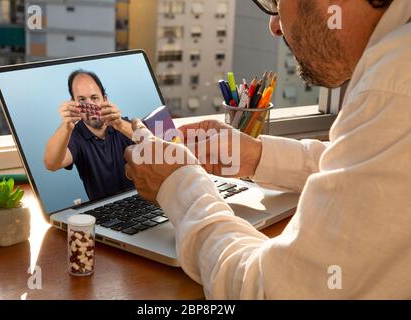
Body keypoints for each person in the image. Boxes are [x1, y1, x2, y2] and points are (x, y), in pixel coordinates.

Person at [124, 0, 411, 299]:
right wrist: (258, 157)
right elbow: (372, 171)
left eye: (276, 3)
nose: (275, 26)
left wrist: (180, 187)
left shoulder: (392, 88)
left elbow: (268, 290)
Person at [44, 70, 134, 201]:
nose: (90, 105)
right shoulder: (74, 136)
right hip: (104, 212)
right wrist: (66, 125)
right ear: (74, 104)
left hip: (142, 202)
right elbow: (51, 164)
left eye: (94, 98)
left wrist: (120, 124)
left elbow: (159, 146)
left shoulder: (124, 125)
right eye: (82, 100)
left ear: (105, 99)